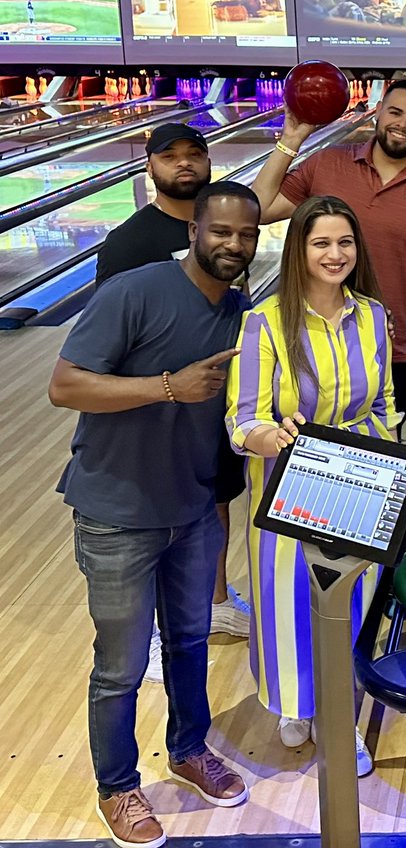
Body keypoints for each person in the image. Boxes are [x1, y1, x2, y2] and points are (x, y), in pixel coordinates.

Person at [48, 180, 260, 848]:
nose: (232, 244)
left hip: (193, 508)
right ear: (194, 229)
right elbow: (65, 385)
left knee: (191, 643)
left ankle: (189, 749)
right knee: (120, 665)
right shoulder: (134, 291)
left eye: (246, 234)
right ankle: (119, 788)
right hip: (116, 513)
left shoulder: (240, 308)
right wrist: (167, 387)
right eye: (220, 230)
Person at [226, 195, 397, 775]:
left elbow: (383, 402)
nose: (335, 254)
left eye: (344, 242)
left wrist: (391, 460)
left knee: (350, 600)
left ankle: (339, 717)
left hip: (359, 474)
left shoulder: (373, 315)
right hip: (289, 482)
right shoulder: (264, 322)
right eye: (321, 242)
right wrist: (274, 437)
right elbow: (240, 419)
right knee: (292, 602)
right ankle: (297, 703)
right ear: (298, 248)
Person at [96, 123, 251, 679]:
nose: (183, 164)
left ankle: (213, 604)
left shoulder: (225, 227)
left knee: (214, 502)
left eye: (195, 153)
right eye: (170, 156)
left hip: (210, 406)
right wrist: (163, 389)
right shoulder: (129, 245)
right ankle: (163, 631)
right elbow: (97, 358)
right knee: (159, 523)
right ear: (150, 166)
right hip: (153, 418)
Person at [251, 78, 406, 416]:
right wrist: (291, 140)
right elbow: (259, 209)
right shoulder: (326, 164)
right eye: (395, 113)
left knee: (381, 463)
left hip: (388, 355)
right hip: (305, 345)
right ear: (377, 112)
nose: (402, 125)